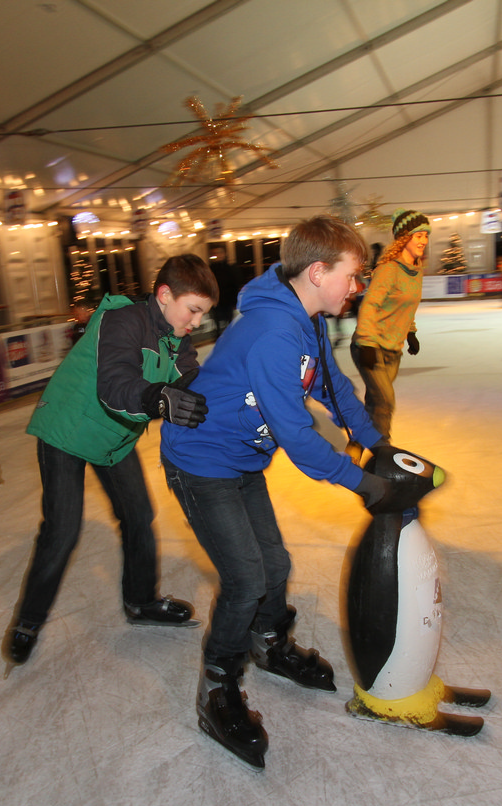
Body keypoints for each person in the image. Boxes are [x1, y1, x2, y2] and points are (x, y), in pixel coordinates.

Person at [160, 215, 394, 769]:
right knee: (246, 578)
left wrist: (376, 442)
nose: (356, 287)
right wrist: (361, 482)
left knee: (275, 563)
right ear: (318, 272)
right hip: (201, 461)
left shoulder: (306, 321)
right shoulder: (273, 332)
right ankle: (216, 688)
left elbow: (333, 387)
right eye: (352, 275)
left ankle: (268, 644)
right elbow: (296, 434)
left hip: (241, 459)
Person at [3, 255, 218, 667]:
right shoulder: (123, 321)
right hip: (66, 429)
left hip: (112, 438)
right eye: (193, 310)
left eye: (202, 314)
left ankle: (141, 601)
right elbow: (116, 384)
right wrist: (157, 397)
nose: (196, 322)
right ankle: (28, 621)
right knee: (62, 530)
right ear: (165, 295)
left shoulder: (177, 338)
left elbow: (193, 384)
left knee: (138, 515)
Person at [351, 209, 430, 439]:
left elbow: (407, 305)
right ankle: (382, 450)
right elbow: (369, 306)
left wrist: (411, 332)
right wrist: (367, 343)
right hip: (370, 346)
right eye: (418, 235)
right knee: (385, 402)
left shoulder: (416, 270)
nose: (424, 240)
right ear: (404, 238)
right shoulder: (388, 269)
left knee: (375, 403)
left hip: (393, 351)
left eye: (426, 235)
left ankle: (358, 445)